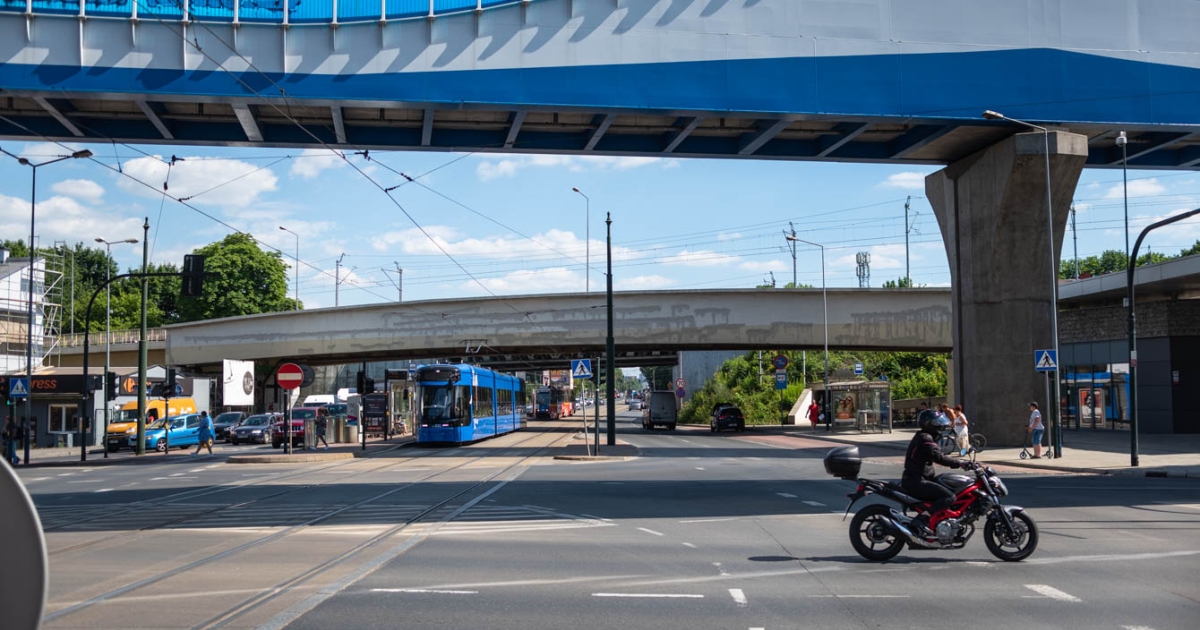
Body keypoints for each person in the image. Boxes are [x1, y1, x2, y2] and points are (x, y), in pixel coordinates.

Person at [902, 409, 971, 539]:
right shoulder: (925, 439)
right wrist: (960, 463)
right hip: (916, 481)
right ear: (930, 425)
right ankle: (922, 519)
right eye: (937, 424)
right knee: (949, 497)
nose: (940, 427)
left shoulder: (923, 437)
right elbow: (939, 457)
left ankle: (935, 521)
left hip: (916, 478)